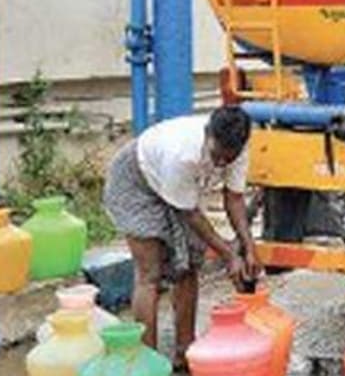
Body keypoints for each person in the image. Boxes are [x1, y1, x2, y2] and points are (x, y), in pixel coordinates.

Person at [102, 105, 262, 368]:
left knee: (188, 266)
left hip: (178, 189)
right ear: (208, 134)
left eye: (228, 158)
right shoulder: (184, 154)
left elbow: (233, 198)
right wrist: (229, 254)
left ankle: (184, 352)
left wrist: (249, 246)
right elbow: (190, 214)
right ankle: (147, 361)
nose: (222, 162)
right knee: (149, 273)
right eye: (217, 155)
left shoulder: (238, 150)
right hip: (137, 182)